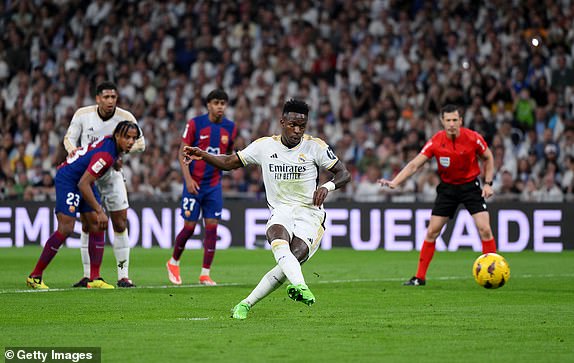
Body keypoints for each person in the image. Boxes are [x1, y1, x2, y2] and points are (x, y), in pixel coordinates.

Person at [182, 99, 351, 319]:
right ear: (282, 122)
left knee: (293, 257)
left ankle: (245, 303)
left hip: (310, 214)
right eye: (293, 125)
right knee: (276, 237)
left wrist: (327, 187)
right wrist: (203, 155)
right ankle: (301, 287)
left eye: (302, 126)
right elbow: (230, 162)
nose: (297, 131)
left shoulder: (315, 146)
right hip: (281, 210)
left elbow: (344, 173)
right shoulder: (264, 146)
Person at [379, 104, 497, 286]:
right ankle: (419, 277)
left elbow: (488, 157)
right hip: (448, 189)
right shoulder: (436, 141)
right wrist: (395, 182)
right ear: (442, 121)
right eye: (448, 120)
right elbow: (414, 165)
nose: (451, 124)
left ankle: (493, 272)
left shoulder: (473, 138)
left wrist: (488, 183)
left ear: (461, 121)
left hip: (470, 187)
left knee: (485, 229)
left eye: (455, 120)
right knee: (432, 231)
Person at [27, 121, 141, 289]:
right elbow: (83, 184)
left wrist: (116, 161)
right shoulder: (107, 155)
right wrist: (99, 209)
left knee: (96, 224)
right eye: (127, 137)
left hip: (82, 179)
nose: (131, 142)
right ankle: (35, 276)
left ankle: (94, 279)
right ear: (117, 136)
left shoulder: (111, 144)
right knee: (66, 228)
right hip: (70, 180)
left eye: (133, 138)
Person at [63, 81, 145, 288]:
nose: (110, 101)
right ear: (97, 98)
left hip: (112, 174)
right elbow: (68, 139)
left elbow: (141, 143)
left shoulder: (126, 118)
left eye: (113, 97)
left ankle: (123, 276)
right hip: (87, 175)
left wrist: (121, 153)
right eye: (106, 97)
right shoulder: (83, 114)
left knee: (120, 222)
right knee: (88, 224)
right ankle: (88, 276)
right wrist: (73, 152)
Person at [166, 89, 237, 286]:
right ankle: (173, 262)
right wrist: (188, 179)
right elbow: (182, 153)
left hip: (214, 185)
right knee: (189, 227)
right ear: (208, 105)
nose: (220, 107)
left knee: (212, 228)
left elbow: (228, 155)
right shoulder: (195, 124)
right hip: (194, 183)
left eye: (223, 103)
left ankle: (205, 273)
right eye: (216, 103)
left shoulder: (230, 128)